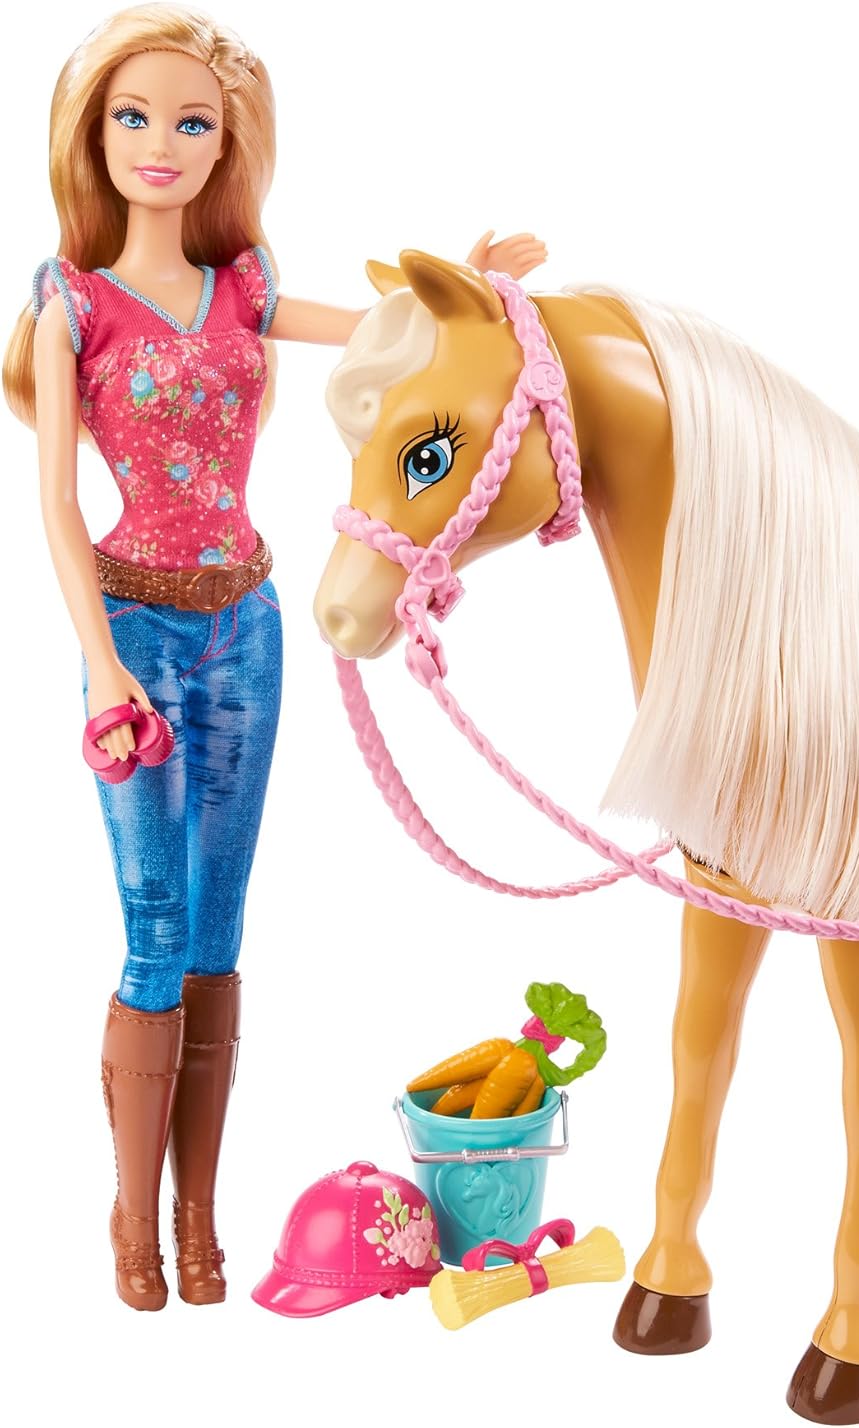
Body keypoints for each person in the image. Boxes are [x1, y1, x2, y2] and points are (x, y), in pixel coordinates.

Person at [1, 3, 544, 1311]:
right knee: (151, 925)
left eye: (191, 122)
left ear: (226, 144)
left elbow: (385, 331)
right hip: (133, 625)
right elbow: (57, 504)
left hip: (245, 621)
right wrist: (102, 664)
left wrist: (467, 285)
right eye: (134, 116)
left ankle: (201, 1215)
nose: (161, 143)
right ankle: (133, 1217)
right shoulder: (73, 304)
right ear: (92, 133)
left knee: (220, 925)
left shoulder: (241, 284)